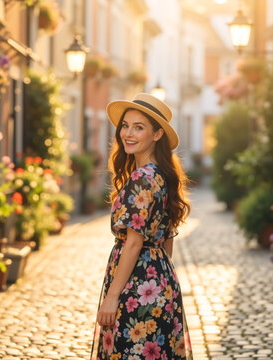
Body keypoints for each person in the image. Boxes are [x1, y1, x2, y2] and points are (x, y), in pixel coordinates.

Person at [90, 93, 192, 359]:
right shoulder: (162, 175)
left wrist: (112, 297)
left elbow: (134, 242)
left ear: (157, 135)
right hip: (159, 280)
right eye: (125, 125)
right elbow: (167, 239)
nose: (128, 133)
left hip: (136, 287)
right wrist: (158, 282)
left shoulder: (142, 177)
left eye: (139, 127)